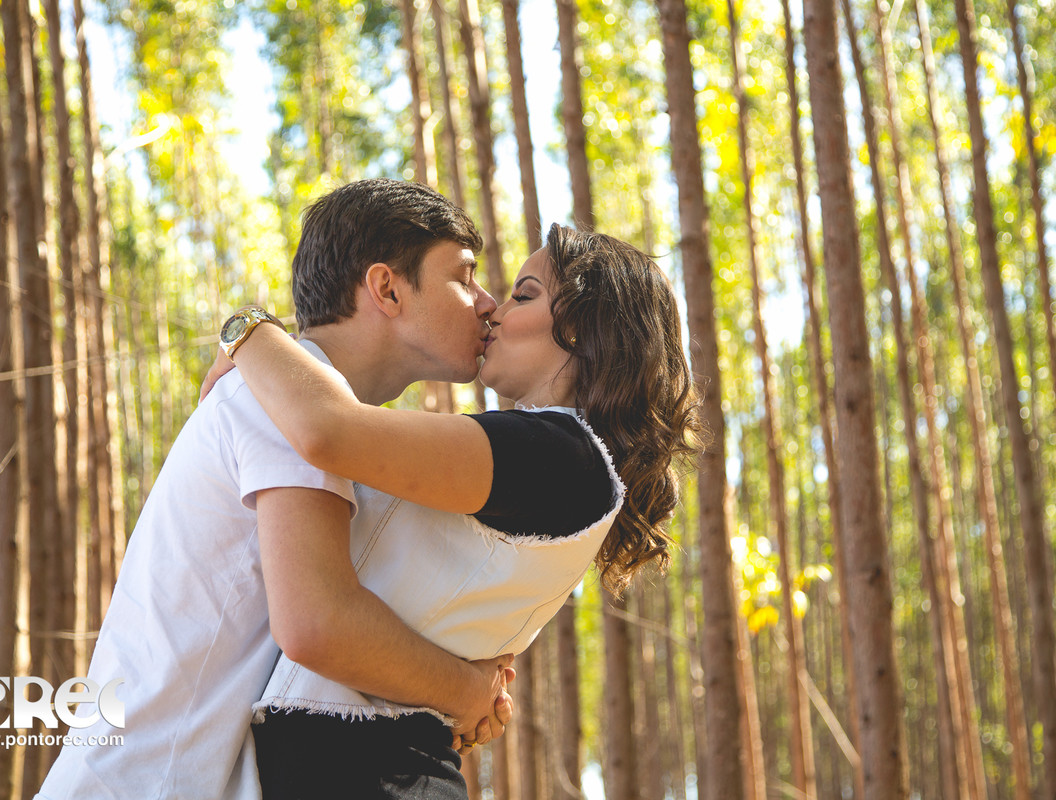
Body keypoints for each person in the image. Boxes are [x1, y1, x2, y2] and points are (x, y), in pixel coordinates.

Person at [36, 179, 516, 800]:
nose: (487, 303)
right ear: (387, 288)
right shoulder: (283, 402)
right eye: (464, 277)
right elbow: (318, 624)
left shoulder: (303, 403)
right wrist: (466, 692)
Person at [203, 221, 703, 798]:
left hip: (382, 776)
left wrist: (250, 330)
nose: (493, 311)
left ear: (585, 328)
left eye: (524, 294)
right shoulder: (562, 462)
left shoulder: (560, 457)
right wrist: (467, 693)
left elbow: (326, 430)